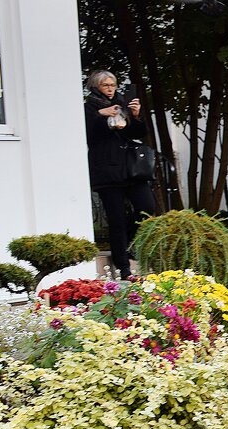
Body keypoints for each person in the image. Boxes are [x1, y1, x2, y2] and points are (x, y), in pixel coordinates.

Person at [84, 70, 157, 279]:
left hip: (131, 169)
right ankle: (124, 268)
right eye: (105, 85)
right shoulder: (89, 107)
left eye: (112, 85)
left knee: (146, 207)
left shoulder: (122, 104)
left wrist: (135, 116)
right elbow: (88, 133)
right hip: (106, 170)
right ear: (96, 87)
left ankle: (131, 244)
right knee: (116, 220)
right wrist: (101, 115)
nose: (110, 89)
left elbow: (137, 133)